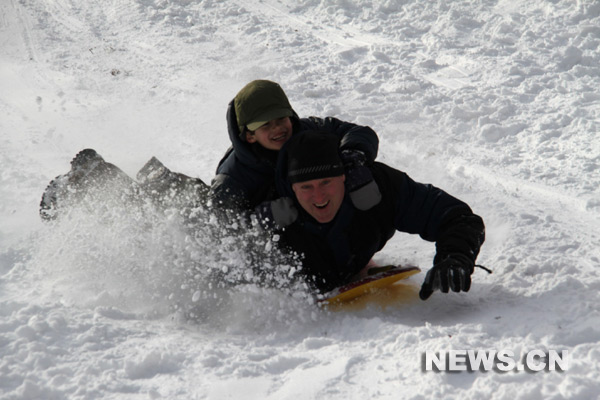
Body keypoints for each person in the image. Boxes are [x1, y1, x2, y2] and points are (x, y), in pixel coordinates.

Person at [266, 131, 486, 300]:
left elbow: (457, 217)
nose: (319, 195)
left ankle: (357, 265)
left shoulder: (378, 187)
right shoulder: (267, 213)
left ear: (343, 176)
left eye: (326, 182)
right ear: (292, 189)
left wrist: (455, 257)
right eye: (306, 187)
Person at [209, 80, 382, 224]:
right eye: (266, 125)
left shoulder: (311, 131)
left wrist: (353, 160)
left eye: (281, 119)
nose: (277, 128)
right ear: (250, 136)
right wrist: (261, 218)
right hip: (281, 250)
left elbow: (359, 133)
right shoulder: (232, 177)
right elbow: (222, 226)